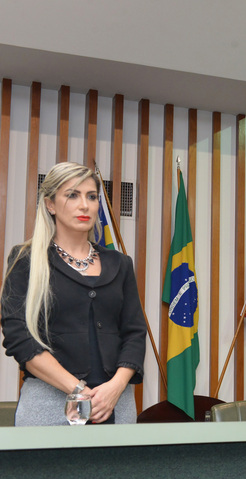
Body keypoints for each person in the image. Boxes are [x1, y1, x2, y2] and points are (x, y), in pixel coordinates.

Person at [1, 162, 146, 425]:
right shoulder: (26, 259)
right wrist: (78, 389)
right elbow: (18, 336)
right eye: (72, 195)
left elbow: (135, 333)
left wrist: (115, 387)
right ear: (50, 204)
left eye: (91, 197)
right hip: (48, 403)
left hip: (115, 402)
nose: (84, 205)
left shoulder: (120, 263)